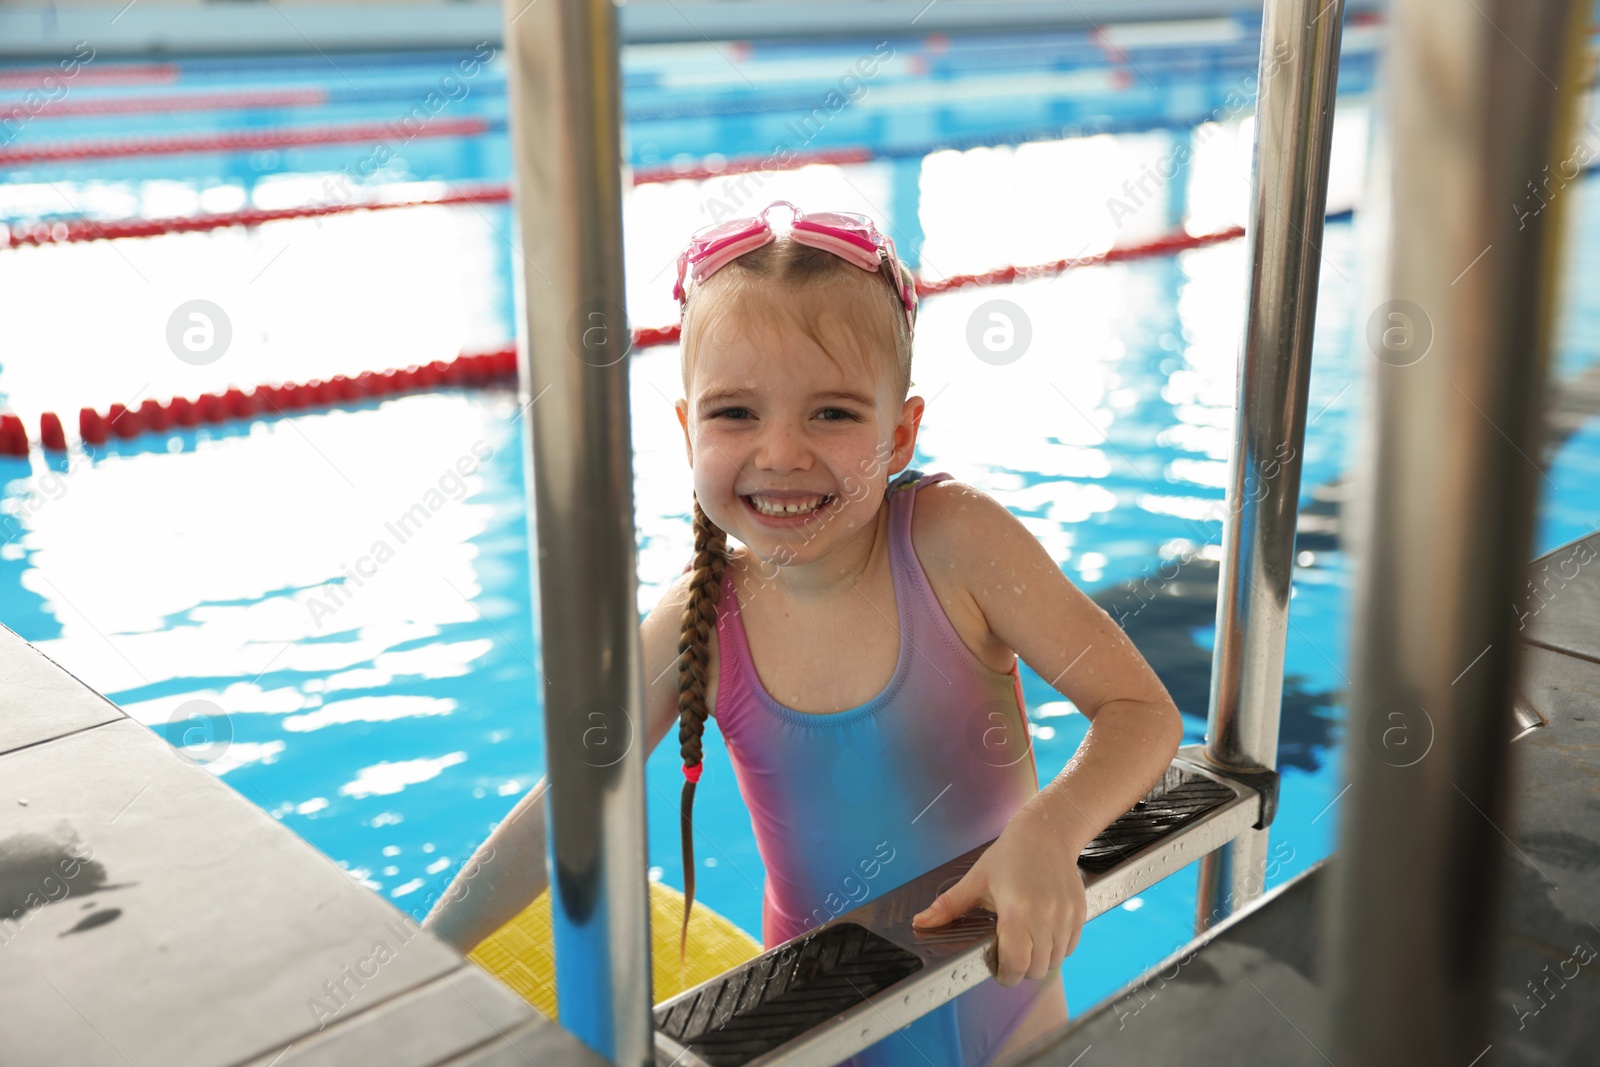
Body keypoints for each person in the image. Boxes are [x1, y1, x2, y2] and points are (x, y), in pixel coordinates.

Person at [424, 201, 1184, 1067]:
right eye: (736, 413)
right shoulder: (699, 619)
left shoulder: (954, 543)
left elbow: (1139, 711)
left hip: (1001, 1014)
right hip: (807, 1031)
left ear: (899, 432)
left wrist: (1050, 830)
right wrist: (417, 954)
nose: (781, 452)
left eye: (831, 413)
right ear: (686, 430)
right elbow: (567, 809)